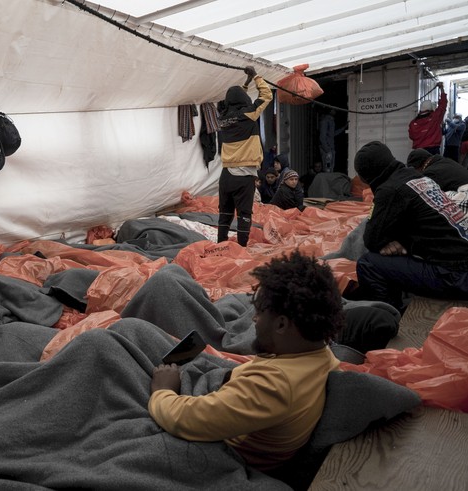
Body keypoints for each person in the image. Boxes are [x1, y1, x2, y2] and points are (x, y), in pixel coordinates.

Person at [148, 251, 343, 471]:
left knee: (117, 338)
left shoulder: (273, 386)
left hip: (221, 451)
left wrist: (162, 391)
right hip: (227, 405)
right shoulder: (321, 356)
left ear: (281, 325)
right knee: (146, 324)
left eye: (259, 313)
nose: (254, 319)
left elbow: (186, 419)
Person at [354, 141, 468, 312]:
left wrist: (395, 242)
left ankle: (390, 317)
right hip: (461, 261)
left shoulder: (390, 189)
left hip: (454, 275)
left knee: (368, 264)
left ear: (366, 176)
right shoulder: (419, 177)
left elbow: (372, 239)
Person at [217, 65, 273, 247]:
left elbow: (238, 99)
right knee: (244, 214)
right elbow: (266, 96)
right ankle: (241, 249)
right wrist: (256, 76)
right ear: (243, 100)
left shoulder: (223, 117)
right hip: (244, 175)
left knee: (225, 213)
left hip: (226, 175)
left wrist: (247, 82)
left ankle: (221, 246)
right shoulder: (248, 114)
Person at [408, 82, 447, 154]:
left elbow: (411, 136)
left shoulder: (413, 123)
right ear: (431, 109)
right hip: (433, 150)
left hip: (418, 152)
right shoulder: (435, 118)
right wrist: (441, 88)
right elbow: (443, 104)